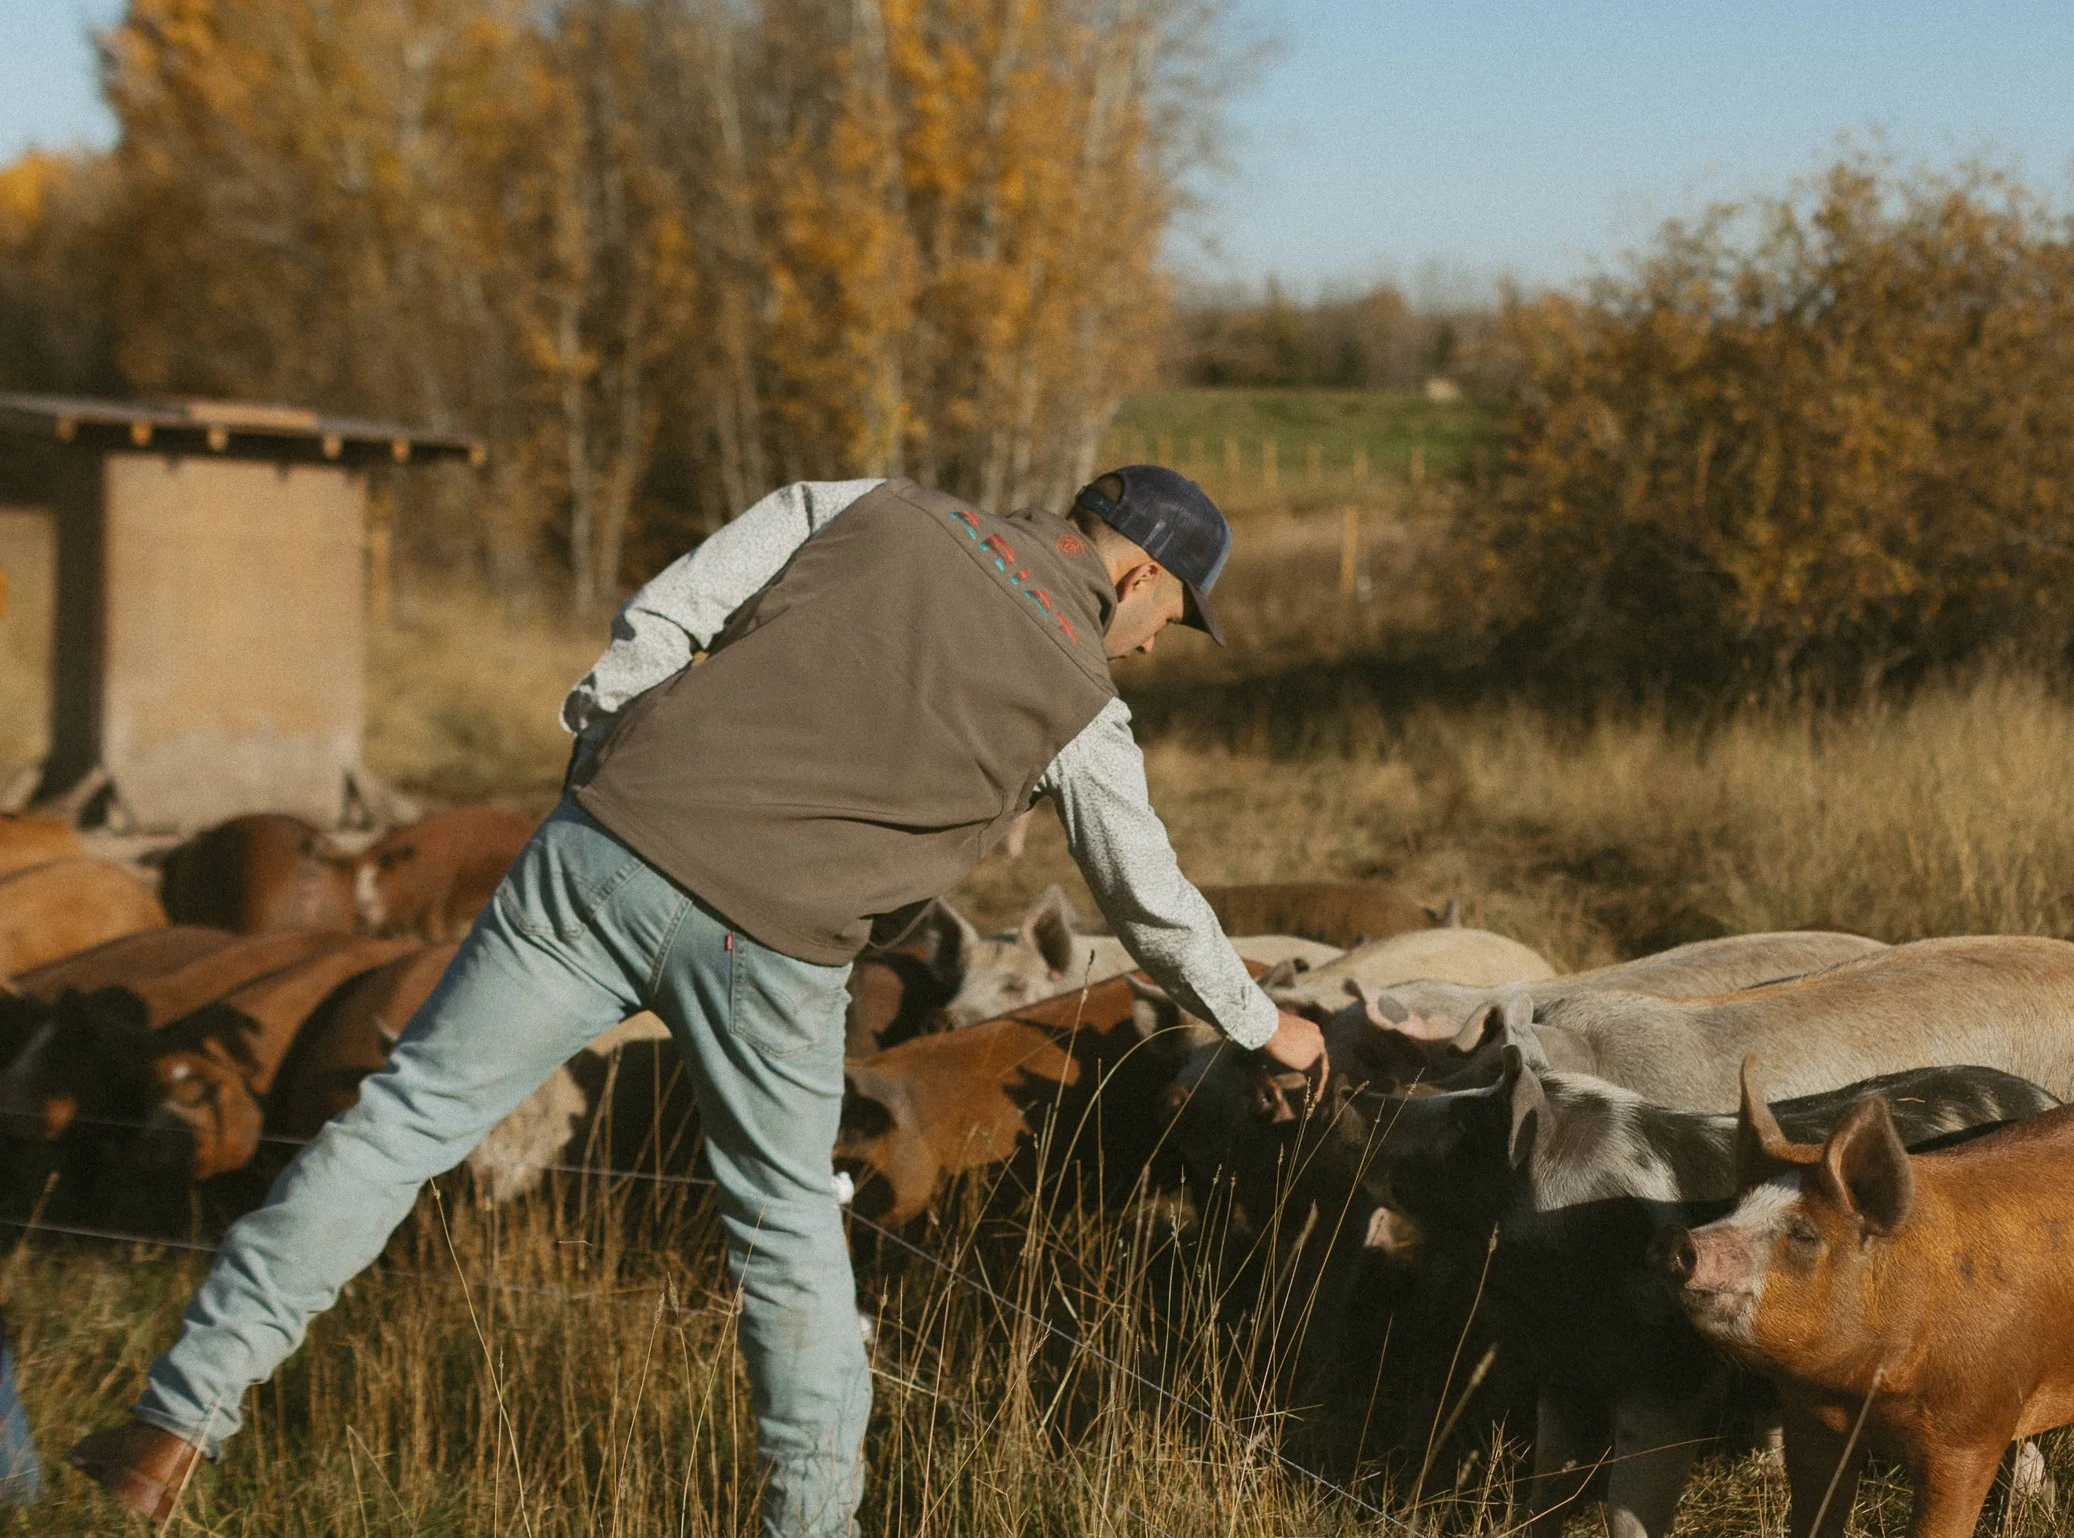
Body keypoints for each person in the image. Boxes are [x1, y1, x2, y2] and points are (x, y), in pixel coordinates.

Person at [69, 466, 1328, 1533]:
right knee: (787, 1239)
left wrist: (607, 739)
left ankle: (171, 1424)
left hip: (600, 851)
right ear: (1141, 574)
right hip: (773, 949)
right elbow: (1150, 902)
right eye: (1169, 620)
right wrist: (1264, 1022)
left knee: (399, 1124)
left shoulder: (868, 504)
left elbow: (673, 605)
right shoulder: (1084, 713)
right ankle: (811, 1523)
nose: (1149, 646)